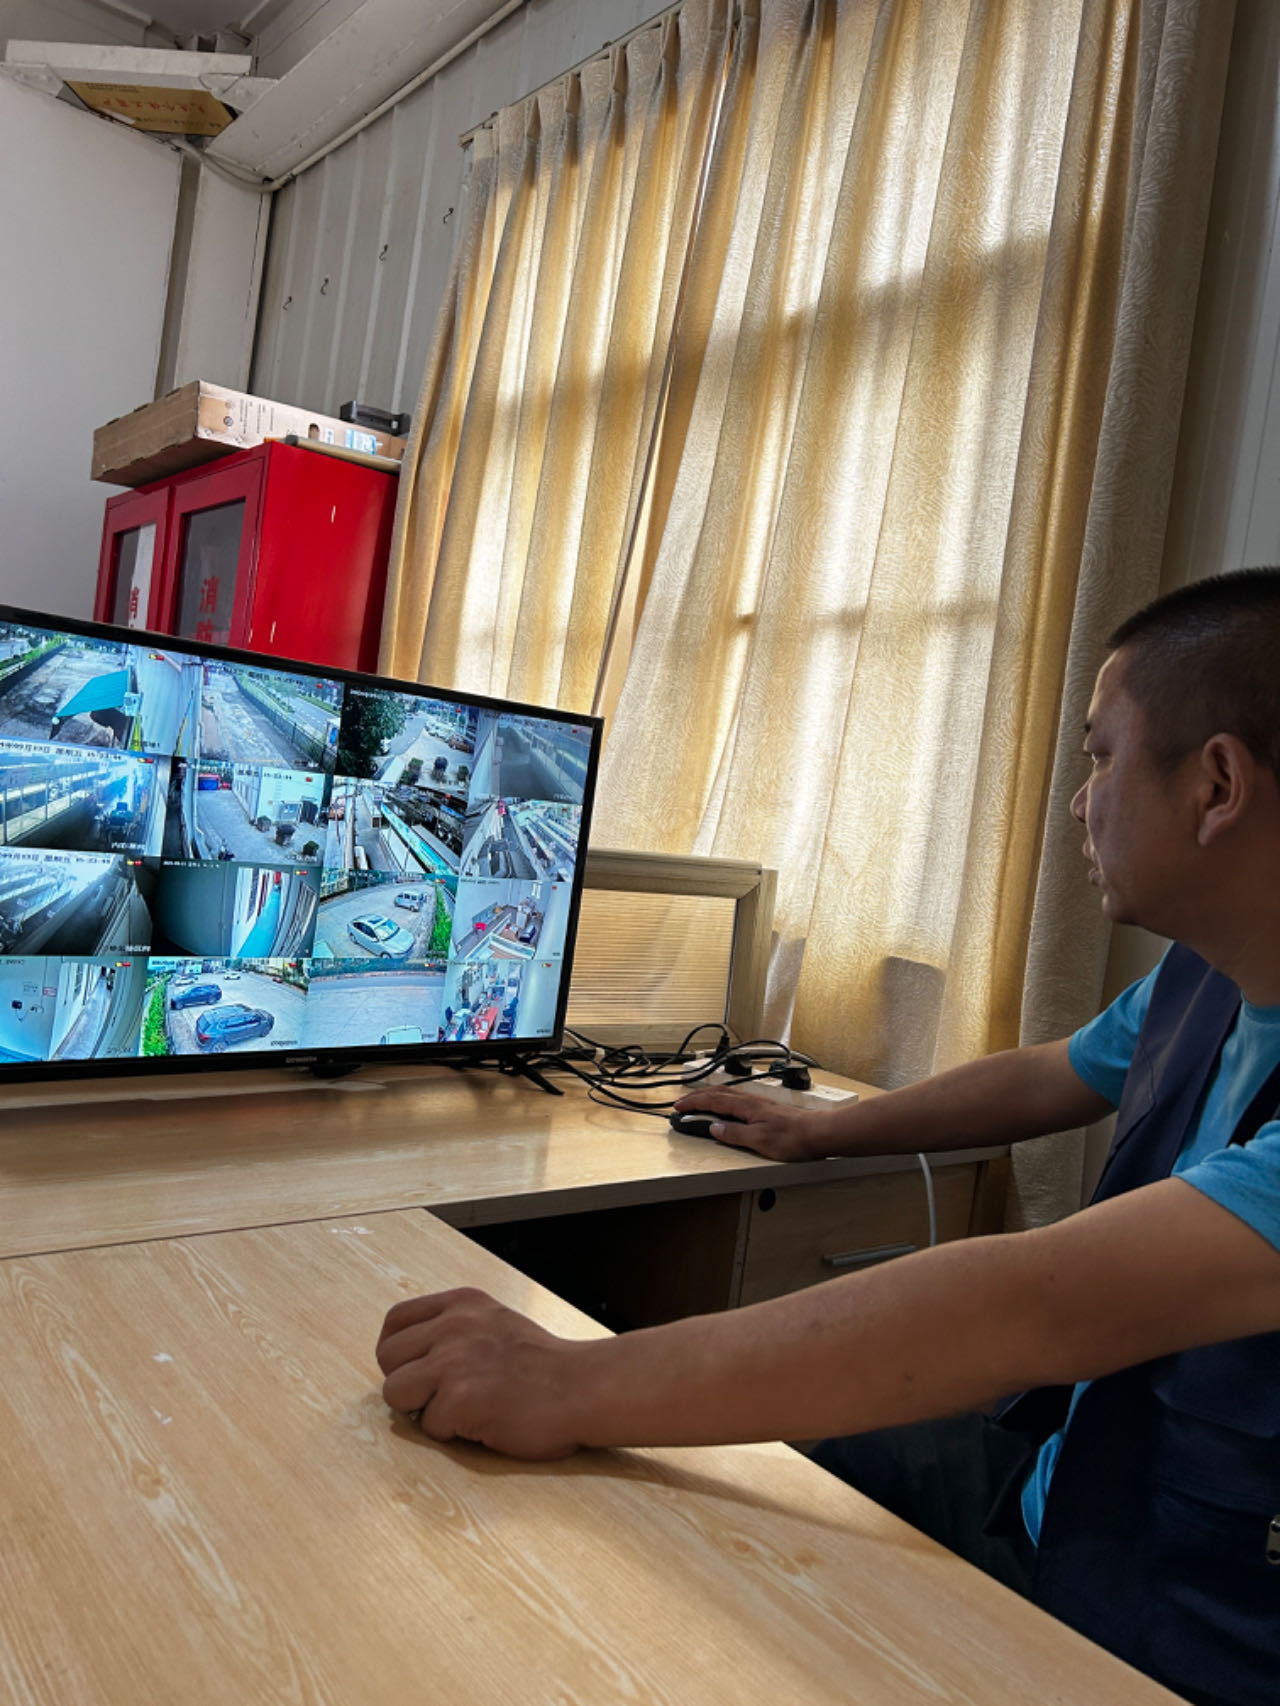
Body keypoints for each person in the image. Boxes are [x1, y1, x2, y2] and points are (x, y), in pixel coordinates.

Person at [376, 569, 1280, 1706]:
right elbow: (1056, 1072)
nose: (1076, 802)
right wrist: (826, 1131)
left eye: (1100, 757)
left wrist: (568, 1380)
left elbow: (1034, 1303)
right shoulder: (1208, 975)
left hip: (1169, 1619)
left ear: (1214, 784)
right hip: (1063, 1482)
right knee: (711, 1478)